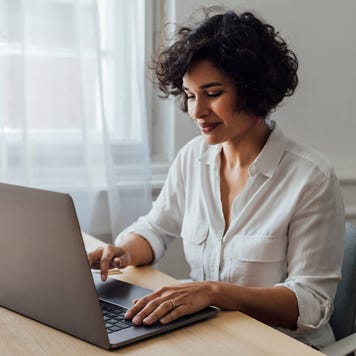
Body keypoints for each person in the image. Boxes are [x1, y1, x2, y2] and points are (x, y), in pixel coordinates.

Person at [88, 8, 345, 349]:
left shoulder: (310, 178)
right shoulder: (193, 158)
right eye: (191, 95)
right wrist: (121, 251)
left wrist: (214, 292)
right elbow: (157, 227)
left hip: (279, 345)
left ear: (253, 91)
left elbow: (312, 304)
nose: (196, 111)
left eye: (212, 94)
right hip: (211, 336)